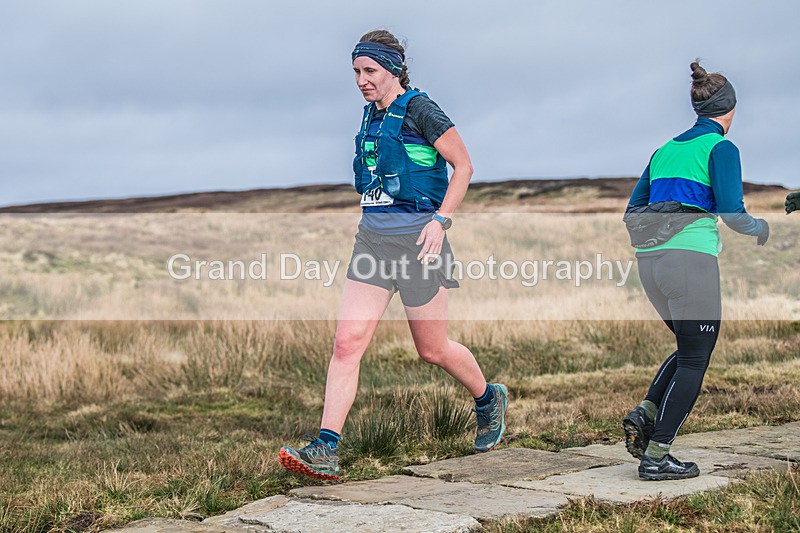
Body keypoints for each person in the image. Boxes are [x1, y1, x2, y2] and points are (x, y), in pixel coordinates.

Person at [278, 29, 508, 480]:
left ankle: (488, 398)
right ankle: (326, 447)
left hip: (421, 244)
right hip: (373, 243)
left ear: (393, 70)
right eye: (357, 72)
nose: (362, 80)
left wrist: (441, 221)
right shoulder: (370, 117)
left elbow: (464, 166)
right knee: (347, 344)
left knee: (433, 349)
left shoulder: (421, 109)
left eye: (370, 71)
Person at [622, 61, 769, 481]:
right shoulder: (722, 149)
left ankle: (647, 411)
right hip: (691, 261)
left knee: (689, 349)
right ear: (730, 108)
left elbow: (632, 209)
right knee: (695, 359)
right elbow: (734, 214)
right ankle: (656, 455)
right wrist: (761, 228)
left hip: (651, 265)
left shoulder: (664, 149)